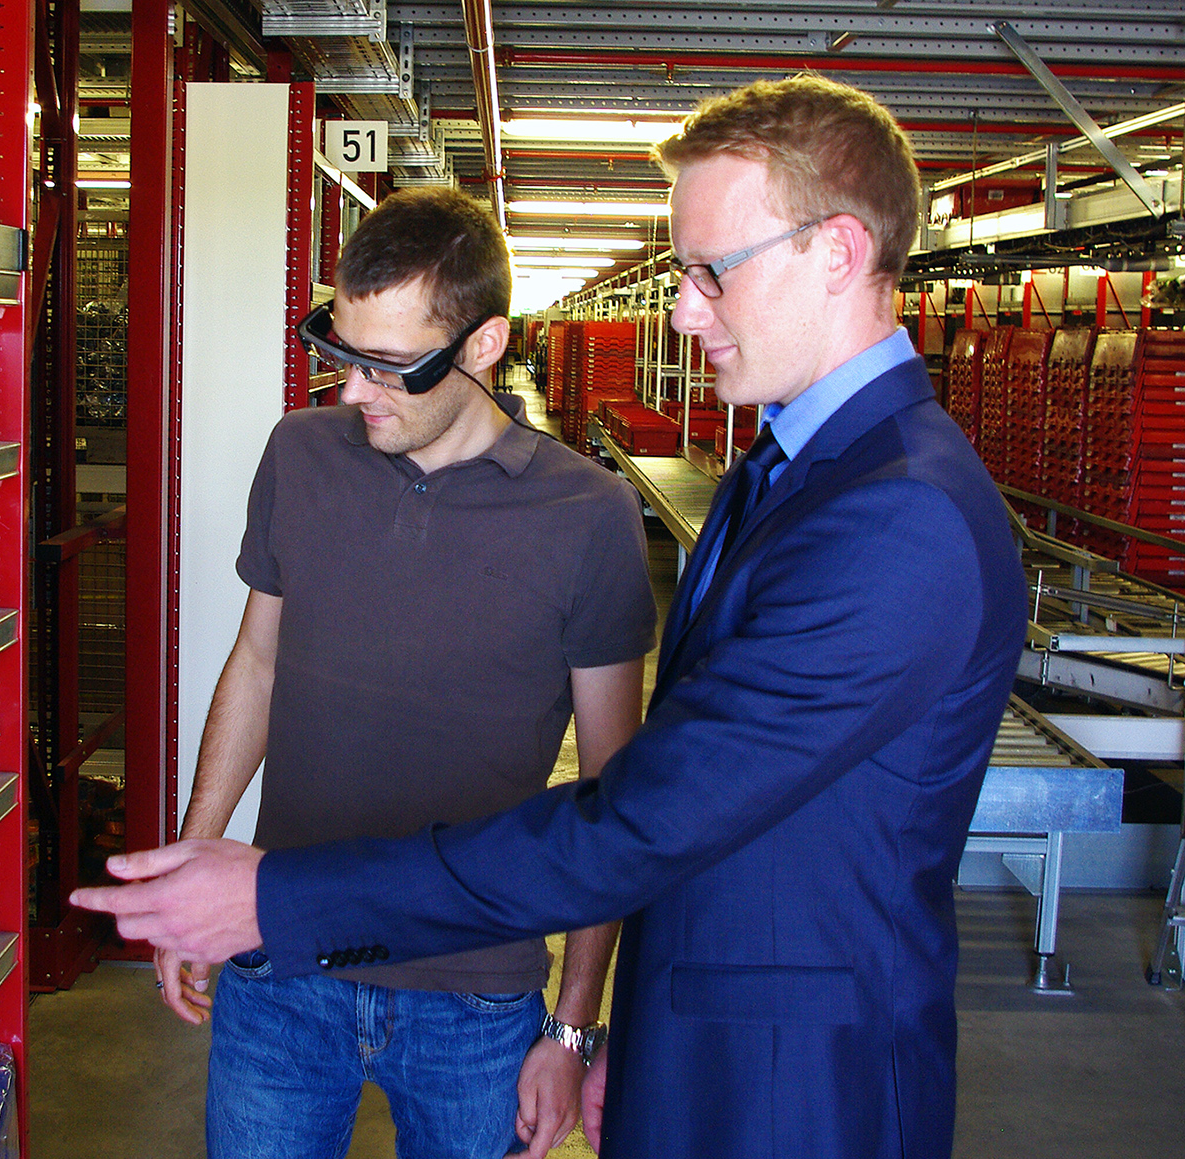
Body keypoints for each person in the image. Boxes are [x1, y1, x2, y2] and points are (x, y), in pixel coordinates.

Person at [75, 76, 1028, 1159]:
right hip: (711, 1041)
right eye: (683, 274)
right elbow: (702, 800)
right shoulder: (792, 471)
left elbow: (638, 815)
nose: (681, 310)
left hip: (793, 1086)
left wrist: (278, 901)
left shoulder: (897, 513)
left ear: (840, 253)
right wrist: (634, 1026)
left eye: (712, 272)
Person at [148, 185, 657, 1159]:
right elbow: (257, 663)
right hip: (280, 967)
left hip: (474, 996)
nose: (351, 391)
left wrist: (572, 1026)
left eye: (388, 366)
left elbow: (610, 794)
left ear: (482, 345)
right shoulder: (300, 456)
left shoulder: (586, 516)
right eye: (340, 352)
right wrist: (188, 869)